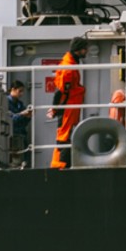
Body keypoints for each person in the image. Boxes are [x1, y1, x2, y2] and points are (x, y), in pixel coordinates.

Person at [48, 36, 88, 170]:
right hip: (68, 107)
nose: (86, 51)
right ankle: (61, 165)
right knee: (64, 134)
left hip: (71, 106)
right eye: (84, 49)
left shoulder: (70, 62)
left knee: (66, 133)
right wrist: (55, 109)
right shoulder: (68, 69)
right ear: (78, 50)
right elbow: (61, 92)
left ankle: (63, 163)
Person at [7, 81, 33, 168]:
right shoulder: (6, 102)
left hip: (21, 136)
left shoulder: (20, 104)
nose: (21, 94)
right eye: (20, 91)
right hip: (12, 137)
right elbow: (10, 120)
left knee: (24, 162)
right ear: (13, 90)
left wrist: (28, 117)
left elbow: (23, 123)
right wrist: (22, 114)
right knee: (15, 163)